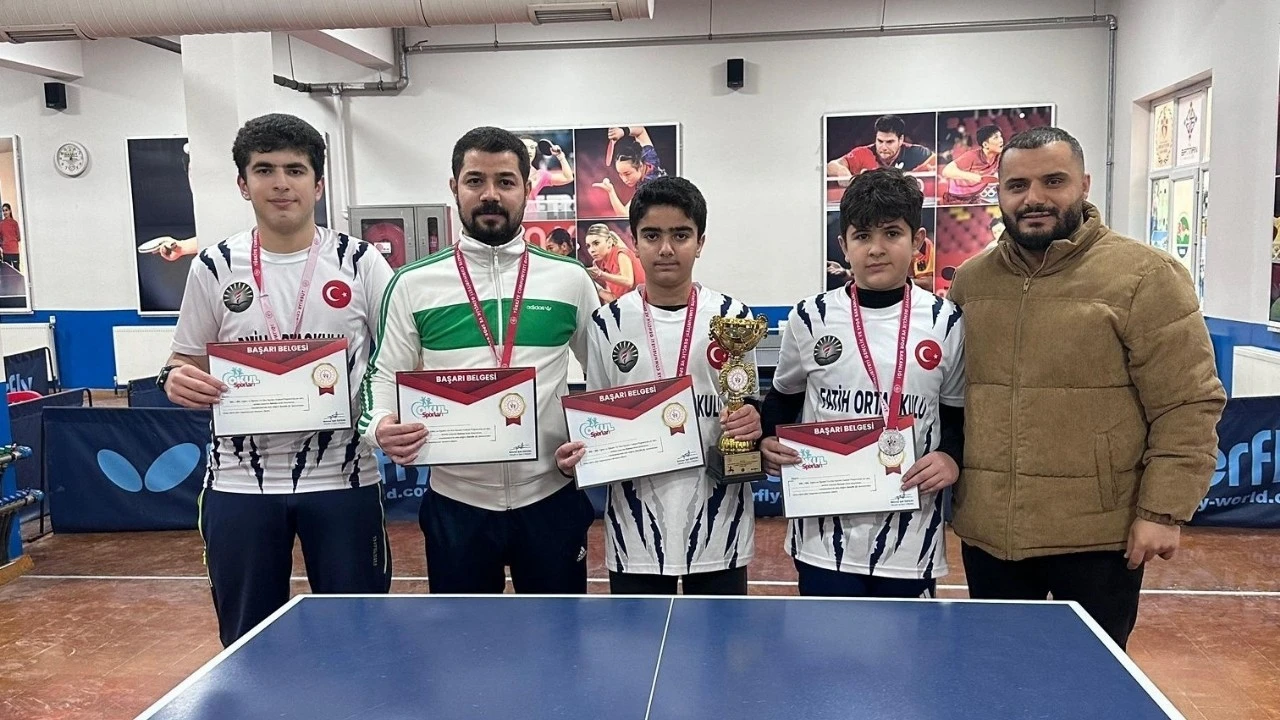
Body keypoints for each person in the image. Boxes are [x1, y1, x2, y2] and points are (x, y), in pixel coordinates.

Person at [946, 126, 1226, 650]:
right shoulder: (972, 281)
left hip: (1099, 538)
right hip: (990, 538)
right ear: (998, 192)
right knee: (997, 678)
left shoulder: (1146, 276)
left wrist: (1162, 511)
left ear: (1085, 184)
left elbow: (1188, 403)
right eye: (1017, 185)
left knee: (1092, 683)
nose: (1034, 198)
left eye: (1053, 181)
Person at [159, 113, 394, 647]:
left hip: (344, 479)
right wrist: (175, 380)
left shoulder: (360, 262)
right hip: (240, 483)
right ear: (243, 184)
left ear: (319, 184)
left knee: (360, 635)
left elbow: (396, 358)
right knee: (246, 640)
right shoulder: (214, 266)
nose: (281, 183)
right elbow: (183, 360)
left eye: (295, 169)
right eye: (264, 170)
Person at [359, 126, 601, 595]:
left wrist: (595, 438)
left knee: (560, 633)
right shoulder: (413, 283)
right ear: (454, 188)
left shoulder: (569, 279)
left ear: (526, 189)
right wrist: (381, 426)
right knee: (464, 638)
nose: (490, 194)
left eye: (505, 181)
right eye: (475, 181)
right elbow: (381, 375)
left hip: (550, 497)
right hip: (456, 504)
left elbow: (606, 374)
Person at [760, 167, 966, 598]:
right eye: (862, 236)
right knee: (825, 639)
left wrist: (951, 456)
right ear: (844, 245)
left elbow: (955, 414)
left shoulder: (946, 321)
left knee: (908, 643)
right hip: (823, 538)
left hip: (910, 538)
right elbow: (782, 399)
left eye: (892, 233)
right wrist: (766, 440)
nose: (876, 249)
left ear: (917, 241)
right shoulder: (809, 317)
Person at [554, 176, 762, 595]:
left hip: (719, 520)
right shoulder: (606, 323)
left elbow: (749, 404)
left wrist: (752, 422)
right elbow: (599, 417)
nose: (666, 248)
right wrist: (579, 453)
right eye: (652, 235)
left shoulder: (734, 317)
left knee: (719, 634)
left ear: (700, 242)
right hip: (636, 526)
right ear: (634, 241)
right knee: (639, 635)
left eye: (680, 235)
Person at [826, 115, 937, 180]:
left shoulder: (917, 152)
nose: (883, 147)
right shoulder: (862, 153)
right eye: (880, 141)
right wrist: (841, 171)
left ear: (901, 140)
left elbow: (938, 161)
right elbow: (831, 165)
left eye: (889, 142)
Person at [593, 125, 667, 216]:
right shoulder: (649, 157)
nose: (624, 179)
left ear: (640, 166)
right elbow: (641, 131)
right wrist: (622, 132)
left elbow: (624, 215)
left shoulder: (647, 188)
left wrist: (610, 191)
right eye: (620, 174)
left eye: (627, 174)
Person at [940, 124, 1003, 204]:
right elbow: (946, 171)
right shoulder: (972, 156)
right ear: (985, 145)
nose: (1001, 140)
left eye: (1000, 136)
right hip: (955, 198)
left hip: (974, 197)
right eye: (996, 138)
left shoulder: (1000, 157)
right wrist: (975, 177)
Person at [584, 223, 645, 302]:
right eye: (588, 246)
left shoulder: (621, 254)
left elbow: (628, 281)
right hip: (629, 305)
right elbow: (615, 299)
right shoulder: (603, 265)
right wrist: (593, 284)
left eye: (596, 243)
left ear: (609, 242)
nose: (591, 250)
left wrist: (600, 274)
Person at [1, 203, 21, 271]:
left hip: (14, 252)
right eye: (3, 211)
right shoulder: (1, 224)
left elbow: (18, 237)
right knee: (7, 272)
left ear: (10, 211)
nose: (5, 212)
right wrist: (3, 245)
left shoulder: (14, 223)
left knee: (16, 271)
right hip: (6, 252)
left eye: (6, 210)